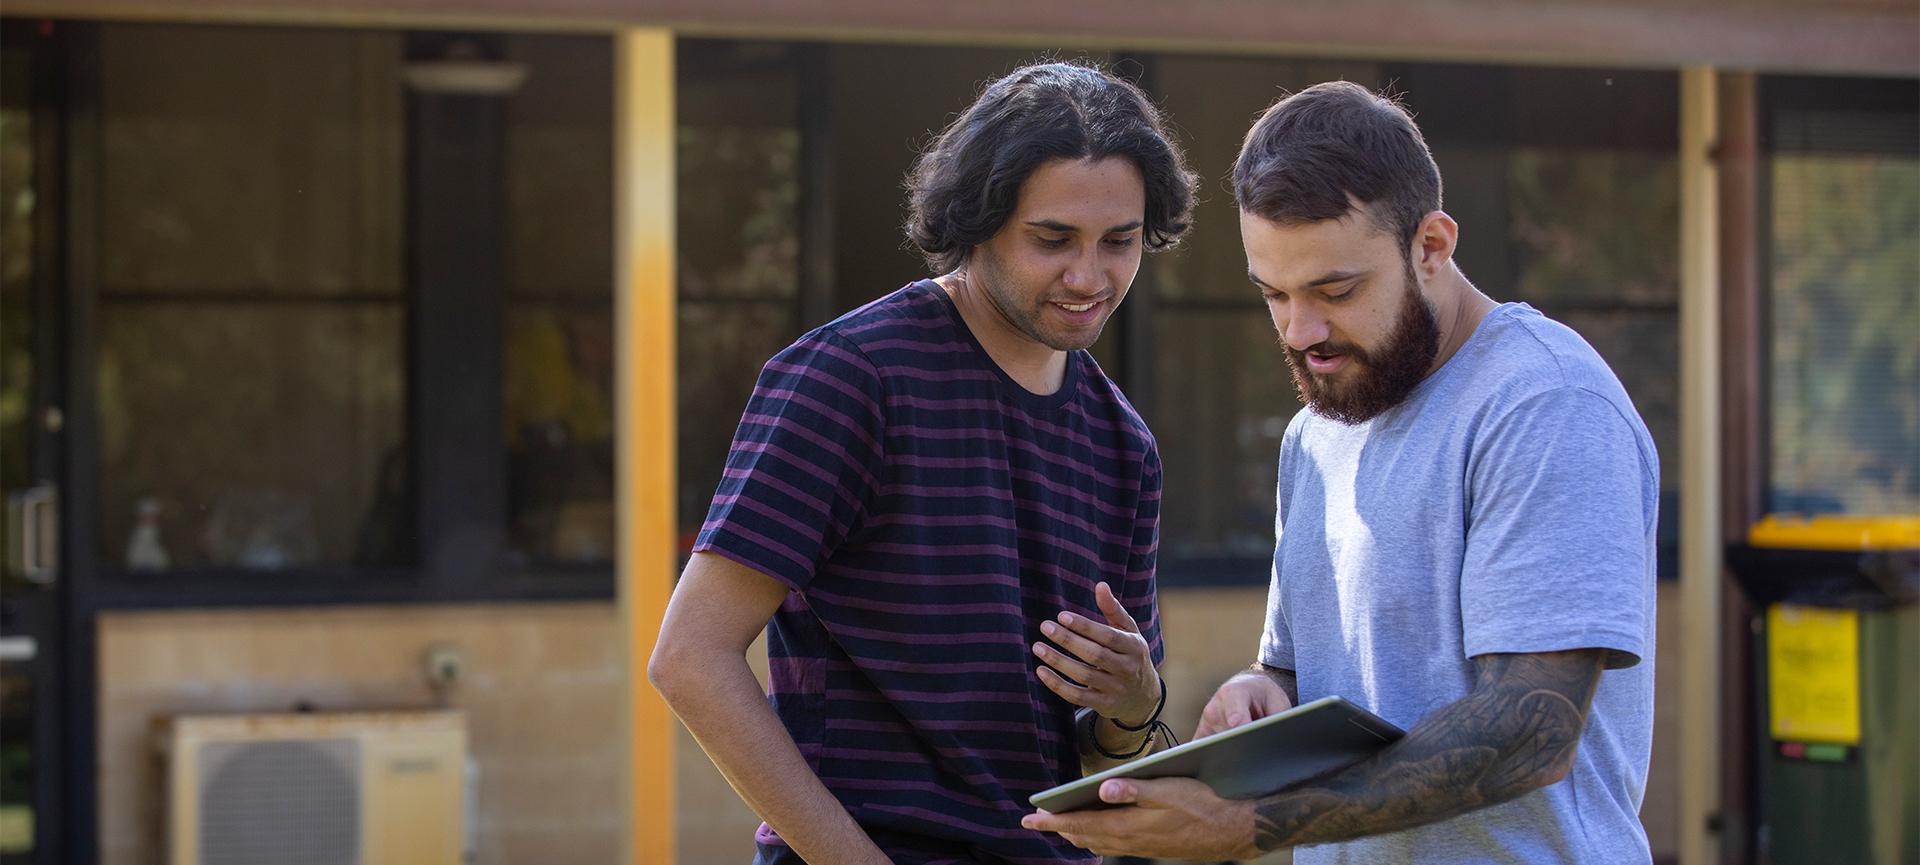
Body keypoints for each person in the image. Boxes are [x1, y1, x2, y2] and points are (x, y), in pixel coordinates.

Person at [1025, 80, 1659, 864]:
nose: (1302, 331)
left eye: (1336, 290)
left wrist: (1249, 823)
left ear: (1431, 246)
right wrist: (1261, 695)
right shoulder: (1317, 429)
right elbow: (1300, 671)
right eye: (1275, 294)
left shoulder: (1544, 405)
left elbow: (1530, 729)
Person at [649, 61, 1200, 865]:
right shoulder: (852, 378)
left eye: (1119, 241)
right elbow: (690, 656)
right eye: (1052, 240)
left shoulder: (1125, 445)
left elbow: (1105, 763)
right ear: (978, 219)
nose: (1090, 276)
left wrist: (1135, 704)